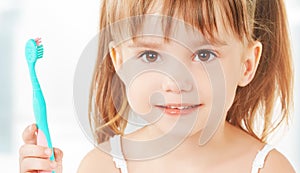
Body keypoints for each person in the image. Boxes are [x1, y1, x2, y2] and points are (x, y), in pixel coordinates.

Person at [19, 0, 296, 172]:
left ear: (247, 65)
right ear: (120, 62)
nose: (175, 82)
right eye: (150, 56)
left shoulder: (269, 168)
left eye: (204, 54)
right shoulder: (102, 167)